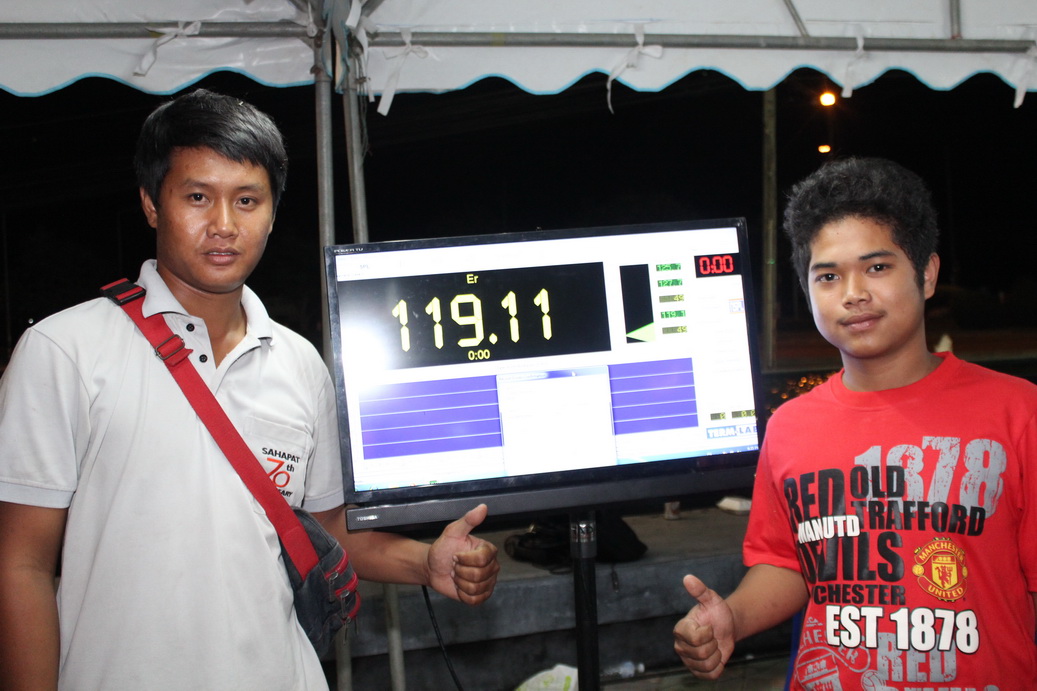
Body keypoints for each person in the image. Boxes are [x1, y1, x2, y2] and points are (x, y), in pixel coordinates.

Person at [0, 89, 499, 690]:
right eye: (197, 197)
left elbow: (329, 528)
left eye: (246, 200)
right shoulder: (65, 352)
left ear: (271, 212)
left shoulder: (299, 363)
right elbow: (20, 563)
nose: (224, 225)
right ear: (151, 204)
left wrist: (426, 562)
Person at [673, 157, 1037, 689]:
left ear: (927, 273)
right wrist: (733, 617)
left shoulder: (1017, 411)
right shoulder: (790, 426)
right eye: (828, 276)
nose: (853, 293)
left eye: (877, 267)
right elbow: (790, 563)